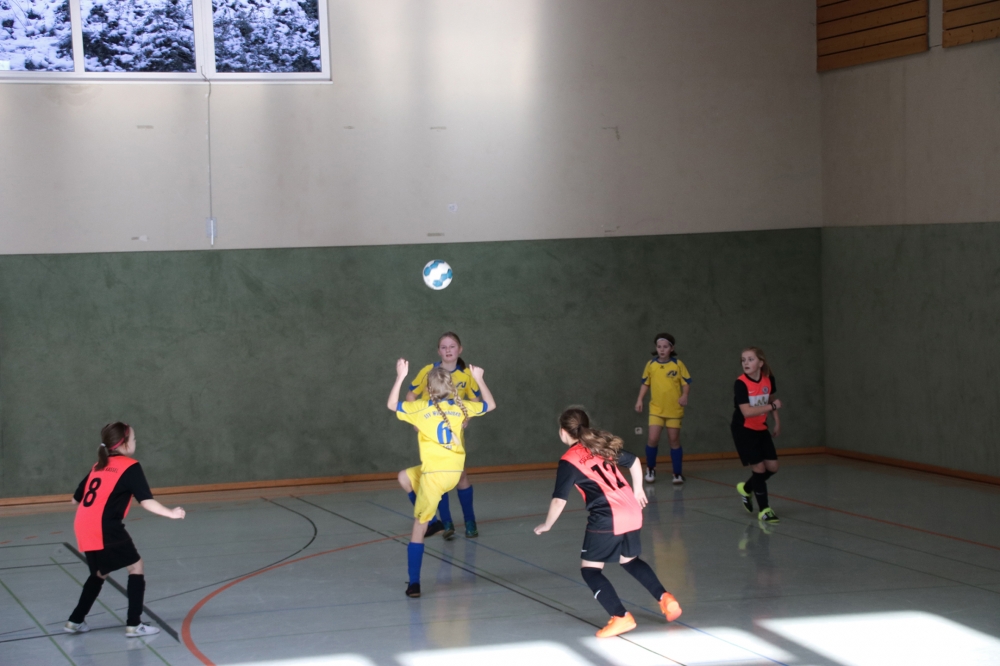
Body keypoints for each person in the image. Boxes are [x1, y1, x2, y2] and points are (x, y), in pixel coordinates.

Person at [534, 408, 682, 638]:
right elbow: (634, 461)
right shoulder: (598, 446)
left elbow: (559, 500)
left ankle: (620, 617)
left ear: (563, 432)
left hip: (608, 516)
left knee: (590, 571)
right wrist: (638, 489)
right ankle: (666, 599)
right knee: (630, 560)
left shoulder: (569, 461)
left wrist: (547, 524)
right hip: (632, 509)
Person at [64, 423, 185, 637]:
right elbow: (146, 501)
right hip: (105, 526)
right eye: (134, 439)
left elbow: (75, 499)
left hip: (83, 524)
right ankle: (134, 624)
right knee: (136, 566)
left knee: (99, 573)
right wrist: (171, 513)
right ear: (125, 444)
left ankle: (75, 620)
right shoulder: (130, 466)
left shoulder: (98, 465)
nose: (136, 442)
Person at [388, 359, 496, 598]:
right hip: (454, 474)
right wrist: (479, 379)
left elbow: (392, 404)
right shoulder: (460, 406)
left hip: (434, 477)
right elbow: (490, 405)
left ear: (428, 389)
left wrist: (400, 376)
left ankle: (414, 583)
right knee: (404, 477)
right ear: (451, 387)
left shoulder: (420, 408)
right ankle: (435, 522)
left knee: (417, 528)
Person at [407, 332, 482, 539]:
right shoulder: (428, 371)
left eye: (452, 346)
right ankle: (446, 522)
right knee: (435, 477)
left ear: (460, 349)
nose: (448, 350)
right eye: (443, 347)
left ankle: (470, 521)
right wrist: (416, 420)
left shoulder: (466, 375)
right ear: (438, 351)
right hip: (431, 432)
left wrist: (467, 417)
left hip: (453, 434)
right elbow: (411, 395)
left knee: (461, 475)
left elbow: (476, 400)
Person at [731, 347, 782, 524]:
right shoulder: (741, 383)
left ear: (760, 363)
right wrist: (772, 407)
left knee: (772, 467)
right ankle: (764, 510)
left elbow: (770, 398)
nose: (746, 363)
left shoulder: (768, 379)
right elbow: (747, 412)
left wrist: (777, 421)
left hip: (761, 428)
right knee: (759, 468)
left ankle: (746, 488)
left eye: (750, 359)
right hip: (743, 429)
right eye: (743, 360)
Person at [635, 333, 691, 484]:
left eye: (665, 347)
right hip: (656, 410)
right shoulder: (651, 365)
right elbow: (645, 383)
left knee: (674, 440)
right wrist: (640, 399)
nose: (662, 349)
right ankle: (650, 469)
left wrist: (685, 395)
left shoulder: (678, 364)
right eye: (659, 347)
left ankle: (677, 473)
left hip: (674, 410)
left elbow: (686, 383)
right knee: (653, 439)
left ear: (671, 348)